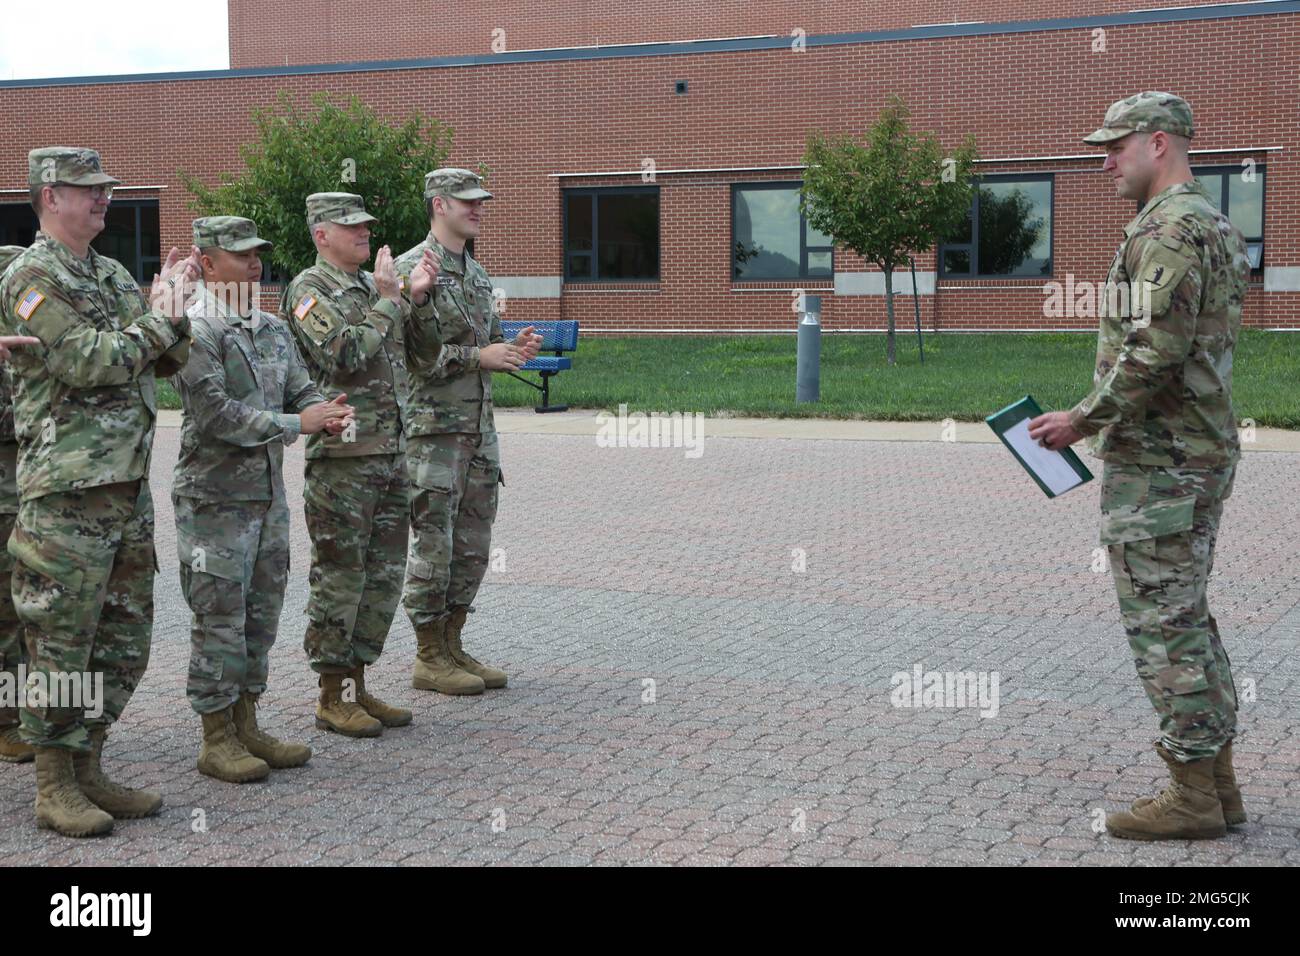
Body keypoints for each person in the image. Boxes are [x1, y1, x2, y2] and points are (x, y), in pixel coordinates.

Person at [1028, 92, 1251, 841]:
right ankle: (1216, 785)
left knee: (1163, 627)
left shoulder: (1171, 229)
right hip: (1192, 452)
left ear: (1159, 143)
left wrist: (1080, 419)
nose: (1104, 163)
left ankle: (1193, 795)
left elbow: (1156, 348)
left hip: (1163, 463)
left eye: (1114, 147)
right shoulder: (1214, 222)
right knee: (1187, 618)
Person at [0, 147, 195, 836]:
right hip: (66, 494)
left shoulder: (110, 273)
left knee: (122, 639)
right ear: (50, 196)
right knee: (60, 640)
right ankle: (54, 782)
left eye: (106, 189)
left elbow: (165, 359)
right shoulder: (30, 276)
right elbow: (87, 361)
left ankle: (90, 765)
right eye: (89, 190)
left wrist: (173, 304)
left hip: (125, 488)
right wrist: (154, 320)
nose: (103, 200)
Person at [174, 216, 354, 782]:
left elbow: (301, 387)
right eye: (241, 255)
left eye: (258, 253)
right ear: (207, 263)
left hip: (266, 497)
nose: (255, 264)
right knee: (219, 616)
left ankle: (247, 721)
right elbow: (216, 415)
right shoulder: (197, 329)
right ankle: (216, 736)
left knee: (261, 613)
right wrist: (298, 422)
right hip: (214, 501)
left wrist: (329, 409)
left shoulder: (272, 327)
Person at [283, 192, 437, 737]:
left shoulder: (376, 288)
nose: (364, 233)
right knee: (342, 577)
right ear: (321, 235)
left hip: (392, 450)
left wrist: (414, 300)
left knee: (382, 578)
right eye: (350, 227)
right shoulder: (309, 289)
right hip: (344, 457)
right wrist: (391, 300)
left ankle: (358, 683)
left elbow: (423, 357)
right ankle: (332, 694)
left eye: (366, 225)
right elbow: (344, 353)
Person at [394, 168, 538, 695]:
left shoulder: (475, 274)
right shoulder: (415, 269)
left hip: (478, 429)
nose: (478, 209)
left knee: (473, 543)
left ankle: (454, 643)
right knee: (434, 542)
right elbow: (413, 357)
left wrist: (512, 347)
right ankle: (428, 654)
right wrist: (478, 355)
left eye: (481, 201)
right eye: (467, 201)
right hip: (434, 431)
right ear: (438, 205)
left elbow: (490, 343)